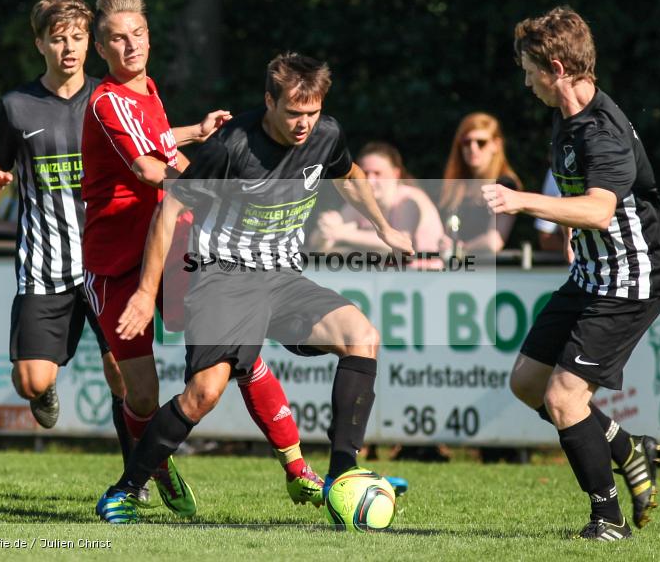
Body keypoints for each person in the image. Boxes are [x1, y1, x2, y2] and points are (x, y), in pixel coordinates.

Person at [94, 52, 414, 524]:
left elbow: (350, 178)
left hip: (282, 277)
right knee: (204, 393)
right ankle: (125, 489)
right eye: (293, 113)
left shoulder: (326, 135)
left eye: (313, 112)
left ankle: (343, 474)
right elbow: (168, 210)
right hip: (222, 277)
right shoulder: (231, 146)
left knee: (362, 336)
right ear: (269, 101)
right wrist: (146, 292)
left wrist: (385, 229)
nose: (305, 124)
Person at [81, 0, 325, 518]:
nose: (131, 45)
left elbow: (163, 148)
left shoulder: (146, 90)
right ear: (100, 47)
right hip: (117, 261)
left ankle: (297, 466)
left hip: (177, 246)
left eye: (139, 33)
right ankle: (156, 466)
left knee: (241, 353)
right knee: (141, 396)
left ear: (149, 36)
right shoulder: (105, 100)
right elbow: (149, 169)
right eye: (119, 38)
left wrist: (195, 135)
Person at [482, 7, 660, 541]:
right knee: (527, 384)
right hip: (591, 273)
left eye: (529, 70)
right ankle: (626, 447)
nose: (525, 81)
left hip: (628, 281)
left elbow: (599, 209)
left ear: (557, 67)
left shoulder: (601, 131)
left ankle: (608, 520)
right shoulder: (567, 118)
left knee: (565, 398)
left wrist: (522, 201)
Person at [0, 0, 146, 494]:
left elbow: (148, 149)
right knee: (31, 381)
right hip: (45, 266)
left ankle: (134, 476)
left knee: (122, 373)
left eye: (77, 38)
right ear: (40, 45)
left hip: (105, 262)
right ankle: (44, 390)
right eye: (58, 39)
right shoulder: (17, 106)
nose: (69, 48)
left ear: (89, 44)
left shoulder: (109, 98)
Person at [311, 141, 445, 260]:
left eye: (377, 173)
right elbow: (318, 242)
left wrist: (342, 234)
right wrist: (325, 231)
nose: (370, 180)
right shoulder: (359, 203)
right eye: (365, 173)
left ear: (396, 174)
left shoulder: (409, 200)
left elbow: (403, 244)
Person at [439, 112, 523, 255]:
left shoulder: (506, 184)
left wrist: (460, 249)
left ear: (496, 145)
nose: (473, 148)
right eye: (466, 142)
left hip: (503, 271)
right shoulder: (458, 185)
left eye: (481, 142)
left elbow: (494, 242)